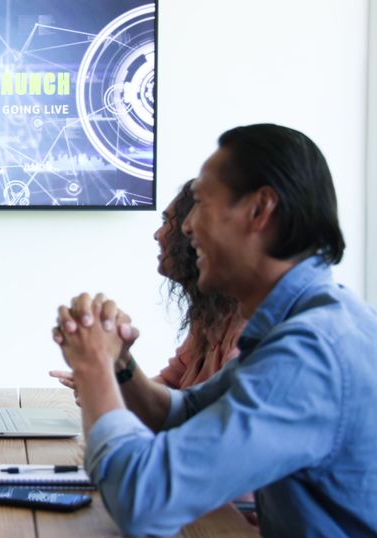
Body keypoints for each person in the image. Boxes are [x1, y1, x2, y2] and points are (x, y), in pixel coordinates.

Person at [51, 124, 377, 535]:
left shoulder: (313, 352)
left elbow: (142, 500)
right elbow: (186, 413)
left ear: (259, 210)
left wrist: (93, 366)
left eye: (199, 203)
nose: (185, 226)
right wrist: (121, 368)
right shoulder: (307, 323)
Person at [49, 179, 246, 429]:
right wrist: (113, 372)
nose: (158, 234)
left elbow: (204, 430)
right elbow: (171, 392)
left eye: (167, 223)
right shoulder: (211, 316)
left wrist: (102, 376)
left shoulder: (254, 331)